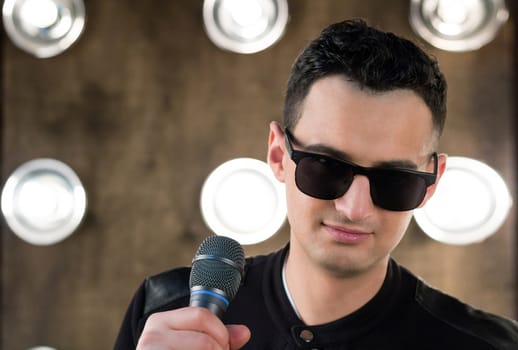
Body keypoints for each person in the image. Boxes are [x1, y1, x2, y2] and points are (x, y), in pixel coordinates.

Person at [114, 19, 518, 349]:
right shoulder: (164, 313)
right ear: (278, 156)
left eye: (395, 180)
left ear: (431, 184)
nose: (355, 208)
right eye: (326, 167)